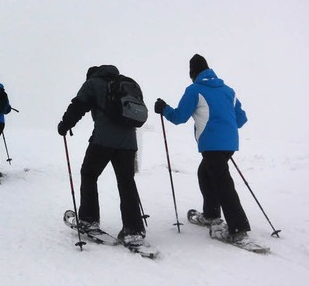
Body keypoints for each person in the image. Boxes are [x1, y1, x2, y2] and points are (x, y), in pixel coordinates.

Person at [154, 54, 250, 243]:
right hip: (229, 143)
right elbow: (241, 119)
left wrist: (163, 108)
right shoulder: (228, 91)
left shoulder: (195, 90)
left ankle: (238, 228)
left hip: (211, 144)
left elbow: (179, 117)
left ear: (192, 73)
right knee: (205, 173)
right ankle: (211, 214)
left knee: (222, 183)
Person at [57, 65, 146, 246]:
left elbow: (78, 105)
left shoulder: (92, 84)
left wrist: (65, 124)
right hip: (129, 143)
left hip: (103, 140)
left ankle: (89, 219)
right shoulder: (128, 84)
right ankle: (134, 229)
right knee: (126, 181)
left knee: (89, 174)